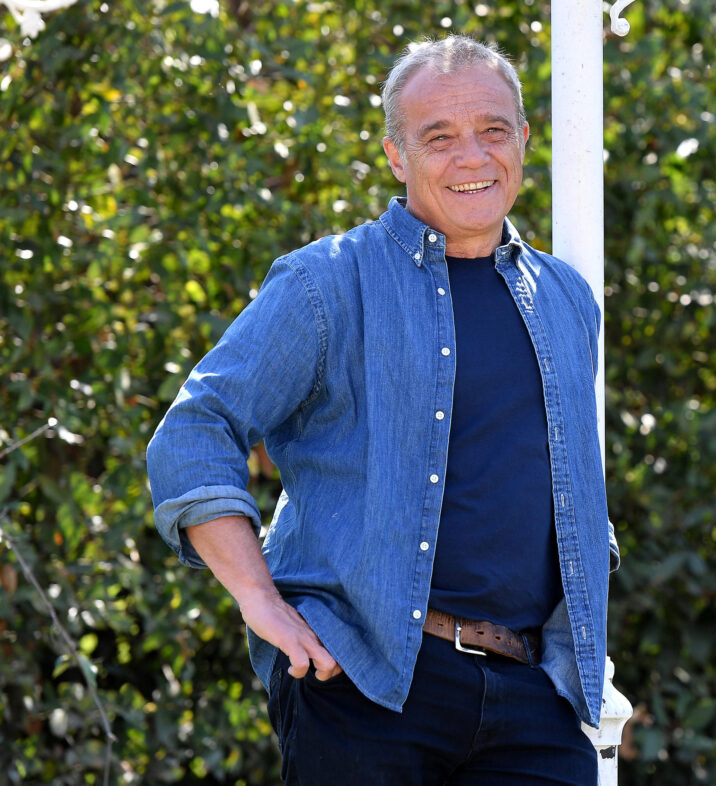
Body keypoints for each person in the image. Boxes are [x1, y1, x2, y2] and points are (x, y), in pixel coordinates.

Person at [147, 34, 618, 785]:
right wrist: (259, 600)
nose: (472, 156)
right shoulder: (325, 283)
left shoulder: (567, 300)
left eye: (493, 130)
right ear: (397, 156)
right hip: (363, 684)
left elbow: (568, 485)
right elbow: (196, 429)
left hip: (534, 697)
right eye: (439, 137)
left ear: (524, 140)